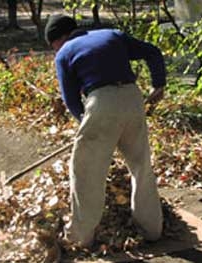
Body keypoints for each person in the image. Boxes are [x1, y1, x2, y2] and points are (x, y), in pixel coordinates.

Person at [44, 15, 166, 247]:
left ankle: (80, 237)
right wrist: (159, 83)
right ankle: (152, 230)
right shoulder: (112, 34)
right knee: (141, 166)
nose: (55, 50)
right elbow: (152, 52)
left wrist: (85, 121)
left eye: (53, 46)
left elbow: (70, 99)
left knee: (86, 170)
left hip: (101, 100)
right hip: (132, 97)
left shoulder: (65, 52)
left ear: (59, 38)